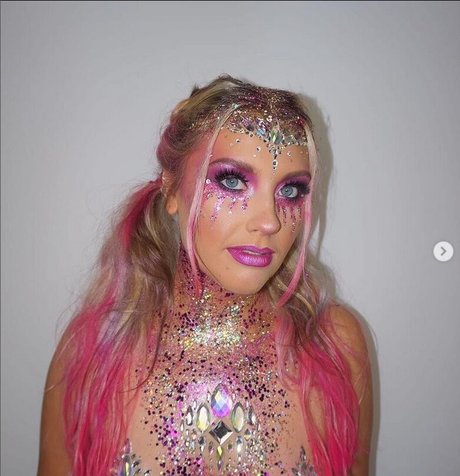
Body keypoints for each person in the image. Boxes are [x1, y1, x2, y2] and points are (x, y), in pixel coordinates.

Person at [38, 74, 373, 476]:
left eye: (290, 191)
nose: (268, 221)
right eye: (232, 181)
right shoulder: (94, 352)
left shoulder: (335, 344)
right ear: (171, 189)